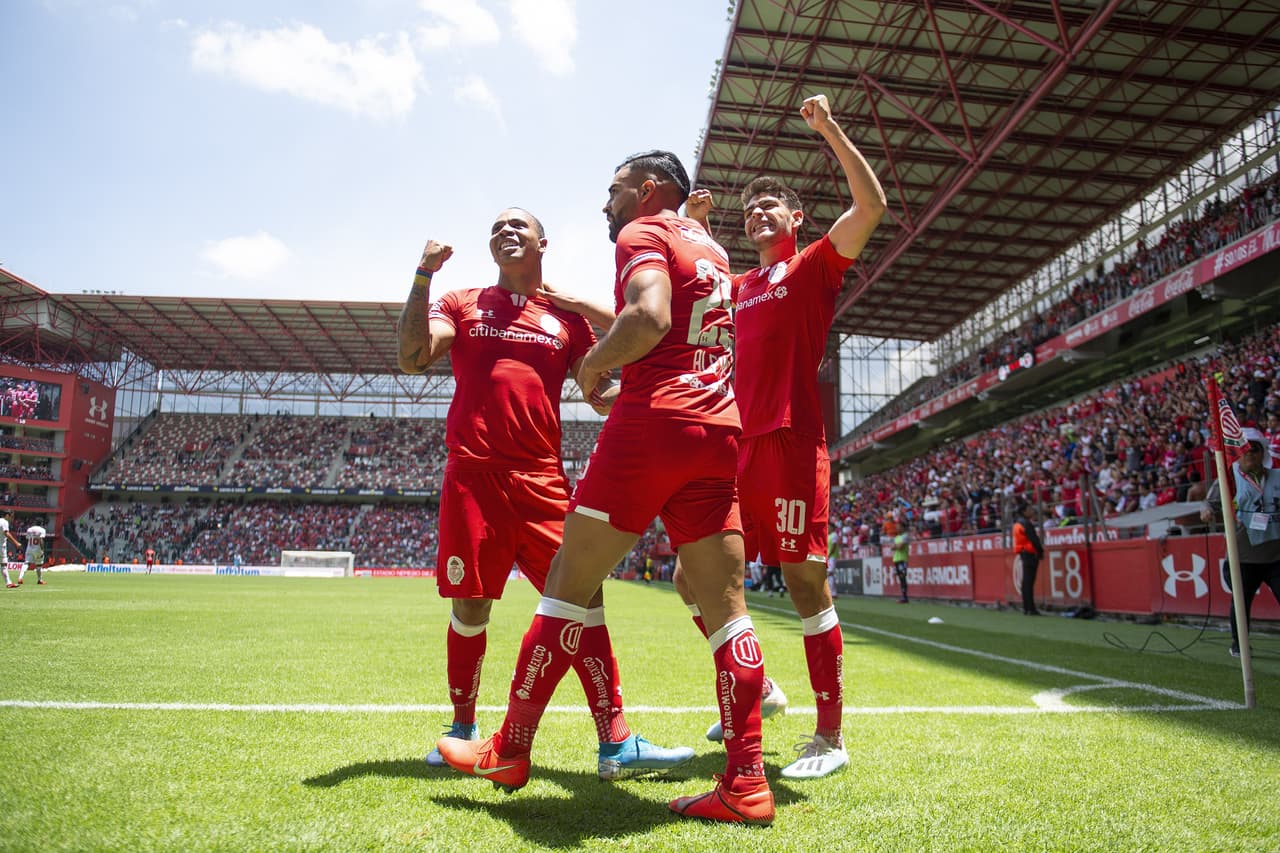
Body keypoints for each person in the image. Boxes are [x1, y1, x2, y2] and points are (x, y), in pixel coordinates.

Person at [438, 152, 774, 825]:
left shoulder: (641, 233)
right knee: (728, 607)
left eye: (614, 190)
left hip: (655, 424)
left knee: (568, 585)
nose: (606, 205)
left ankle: (509, 747)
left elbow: (647, 317)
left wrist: (592, 360)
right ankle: (747, 781)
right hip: (719, 424)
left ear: (648, 190)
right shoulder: (709, 243)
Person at [397, 207, 691, 782]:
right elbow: (412, 358)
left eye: (518, 226)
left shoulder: (564, 318)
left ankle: (616, 743)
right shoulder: (461, 301)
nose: (505, 231)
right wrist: (422, 276)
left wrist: (597, 378)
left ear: (542, 243)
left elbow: (630, 344)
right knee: (471, 605)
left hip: (541, 479)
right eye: (497, 227)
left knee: (585, 600)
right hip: (474, 475)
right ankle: (463, 729)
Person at [685, 93, 886, 779]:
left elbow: (872, 208)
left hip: (794, 442)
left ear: (796, 219)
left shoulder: (814, 266)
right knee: (691, 577)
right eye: (750, 210)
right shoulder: (737, 286)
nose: (757, 214)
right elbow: (683, 298)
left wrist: (830, 128)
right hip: (735, 446)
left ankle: (829, 737)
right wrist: (694, 228)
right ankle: (762, 689)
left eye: (771, 205)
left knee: (804, 582)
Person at [1199, 428, 1280, 657]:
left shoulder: (1277, 476)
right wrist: (1206, 512)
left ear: (1262, 452)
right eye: (1246, 450)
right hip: (1243, 556)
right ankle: (1239, 643)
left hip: (1276, 555)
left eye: (1255, 450)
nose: (1250, 454)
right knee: (1241, 603)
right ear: (1238, 453)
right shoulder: (1228, 478)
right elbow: (1208, 503)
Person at [1012, 502, 1044, 615]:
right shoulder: (1026, 524)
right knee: (1029, 582)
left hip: (1023, 552)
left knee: (1026, 581)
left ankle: (1027, 607)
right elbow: (1034, 539)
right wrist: (1040, 552)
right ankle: (1031, 608)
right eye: (1029, 509)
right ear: (1024, 512)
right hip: (1030, 553)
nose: (1032, 511)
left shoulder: (1017, 524)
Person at [892, 527, 910, 603]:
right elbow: (892, 547)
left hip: (902, 560)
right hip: (896, 559)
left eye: (899, 526)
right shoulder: (896, 537)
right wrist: (896, 546)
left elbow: (899, 547)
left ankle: (905, 597)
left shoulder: (905, 536)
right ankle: (903, 596)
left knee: (903, 577)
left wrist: (896, 546)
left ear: (902, 527)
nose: (897, 528)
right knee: (900, 578)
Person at [2, 511, 15, 588]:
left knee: (3, 565)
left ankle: (8, 583)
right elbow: (6, 533)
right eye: (11, 516)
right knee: (3, 565)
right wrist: (16, 543)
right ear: (7, 515)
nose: (12, 518)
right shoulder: (4, 522)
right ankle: (8, 583)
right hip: (1, 547)